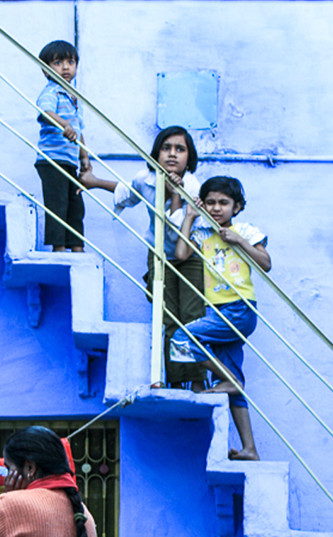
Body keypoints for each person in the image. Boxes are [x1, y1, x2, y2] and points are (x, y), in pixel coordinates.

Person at [79, 125, 208, 389]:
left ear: (189, 157)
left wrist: (175, 195)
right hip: (160, 256)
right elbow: (127, 192)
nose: (172, 154)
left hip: (190, 256)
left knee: (192, 317)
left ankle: (195, 380)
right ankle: (175, 379)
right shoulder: (145, 178)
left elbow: (176, 226)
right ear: (156, 153)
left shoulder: (193, 187)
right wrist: (94, 182)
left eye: (180, 149)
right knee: (169, 319)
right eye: (166, 148)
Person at [171, 175, 272, 461]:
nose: (217, 208)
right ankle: (249, 449)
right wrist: (191, 216)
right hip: (217, 312)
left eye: (224, 203)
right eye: (211, 202)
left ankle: (229, 379)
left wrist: (239, 241)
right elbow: (180, 254)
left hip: (240, 309)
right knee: (233, 388)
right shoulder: (204, 234)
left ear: (237, 207)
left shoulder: (246, 230)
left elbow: (265, 263)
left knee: (182, 338)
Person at [34, 40, 91, 252]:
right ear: (46, 69)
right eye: (58, 62)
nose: (65, 67)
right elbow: (45, 112)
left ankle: (76, 247)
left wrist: (85, 159)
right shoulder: (51, 92)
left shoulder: (75, 98)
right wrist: (64, 123)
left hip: (69, 161)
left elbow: (79, 130)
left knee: (75, 206)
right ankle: (58, 248)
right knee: (58, 204)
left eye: (70, 62)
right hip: (51, 160)